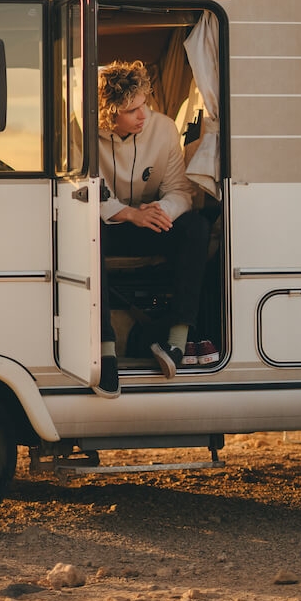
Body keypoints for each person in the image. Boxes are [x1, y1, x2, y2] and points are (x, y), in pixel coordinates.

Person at [95, 60, 211, 398]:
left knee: (197, 228)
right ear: (108, 115)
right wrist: (129, 214)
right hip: (109, 224)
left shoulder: (163, 129)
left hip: (151, 220)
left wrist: (162, 210)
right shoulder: (82, 132)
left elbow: (180, 190)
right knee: (85, 238)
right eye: (132, 110)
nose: (143, 115)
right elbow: (87, 194)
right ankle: (105, 352)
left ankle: (176, 342)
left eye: (144, 103)